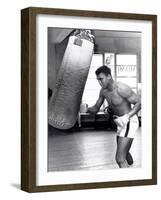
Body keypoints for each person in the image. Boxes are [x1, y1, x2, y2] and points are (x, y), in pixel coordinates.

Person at [86, 65, 141, 168]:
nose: (99, 82)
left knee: (120, 158)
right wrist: (85, 108)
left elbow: (139, 103)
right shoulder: (103, 91)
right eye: (98, 80)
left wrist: (128, 116)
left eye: (101, 79)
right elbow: (96, 108)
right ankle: (132, 168)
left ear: (109, 76)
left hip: (129, 121)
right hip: (119, 123)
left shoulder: (121, 88)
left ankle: (129, 182)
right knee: (125, 153)